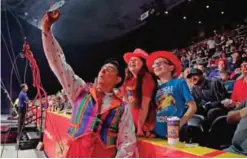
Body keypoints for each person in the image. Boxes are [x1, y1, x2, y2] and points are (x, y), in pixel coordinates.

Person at [41, 10, 136, 158]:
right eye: (102, 69)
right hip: (74, 154)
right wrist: (47, 31)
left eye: (109, 70)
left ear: (118, 80)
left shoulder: (123, 109)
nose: (103, 71)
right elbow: (59, 64)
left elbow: (127, 142)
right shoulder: (80, 90)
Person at [146, 51, 197, 138]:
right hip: (156, 134)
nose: (156, 65)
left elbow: (193, 107)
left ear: (171, 67)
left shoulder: (179, 82)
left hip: (175, 133)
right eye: (154, 64)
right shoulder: (155, 89)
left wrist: (178, 125)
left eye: (160, 63)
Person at [121, 48, 157, 137]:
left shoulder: (147, 78)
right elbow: (125, 104)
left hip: (145, 122)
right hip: (131, 123)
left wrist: (140, 126)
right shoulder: (128, 81)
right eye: (130, 60)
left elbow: (145, 103)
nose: (132, 62)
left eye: (135, 60)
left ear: (143, 63)